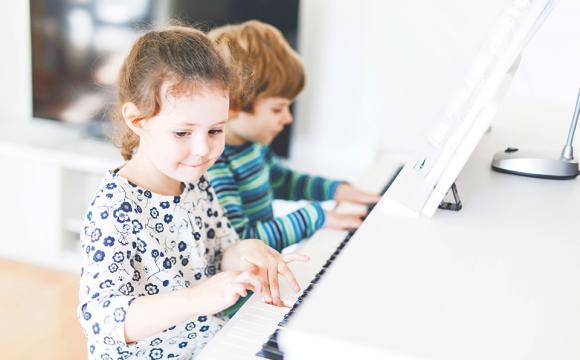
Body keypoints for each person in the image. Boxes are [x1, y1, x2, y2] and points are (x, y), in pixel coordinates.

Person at [77, 25, 306, 360]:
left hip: (212, 344)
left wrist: (246, 252)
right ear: (137, 120)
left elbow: (221, 250)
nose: (203, 149)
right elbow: (102, 320)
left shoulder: (196, 182)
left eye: (215, 130)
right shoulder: (115, 207)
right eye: (183, 132)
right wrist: (198, 298)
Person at [207, 20, 381, 253]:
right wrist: (316, 218)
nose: (288, 119)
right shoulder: (215, 165)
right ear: (233, 106)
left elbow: (282, 181)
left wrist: (336, 190)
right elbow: (242, 243)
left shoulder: (252, 146)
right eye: (278, 109)